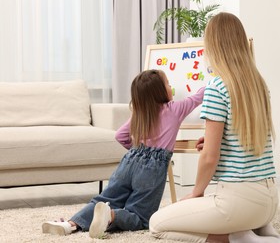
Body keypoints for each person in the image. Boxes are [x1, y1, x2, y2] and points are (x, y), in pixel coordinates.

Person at [149, 12, 280, 243]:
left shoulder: (216, 86)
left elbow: (209, 157)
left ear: (213, 44)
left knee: (157, 225)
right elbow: (245, 137)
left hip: (239, 202)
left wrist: (196, 192)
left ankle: (241, 238)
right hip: (269, 201)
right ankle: (255, 231)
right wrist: (219, 140)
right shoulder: (258, 83)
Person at [42, 69, 205, 239]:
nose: (171, 87)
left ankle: (69, 224)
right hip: (152, 169)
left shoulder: (140, 113)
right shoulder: (175, 109)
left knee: (104, 198)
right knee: (141, 217)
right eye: (167, 84)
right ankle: (112, 216)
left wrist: (136, 152)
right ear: (160, 91)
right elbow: (198, 97)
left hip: (129, 161)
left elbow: (120, 135)